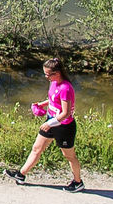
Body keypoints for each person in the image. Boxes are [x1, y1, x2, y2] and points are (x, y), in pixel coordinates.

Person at [6, 58, 84, 191]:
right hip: (51, 121)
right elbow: (53, 99)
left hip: (64, 127)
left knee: (69, 156)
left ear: (57, 73)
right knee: (37, 148)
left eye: (48, 74)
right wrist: (41, 104)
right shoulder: (53, 83)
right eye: (45, 73)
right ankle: (21, 175)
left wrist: (49, 124)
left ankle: (78, 182)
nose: (46, 76)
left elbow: (65, 113)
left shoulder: (65, 88)